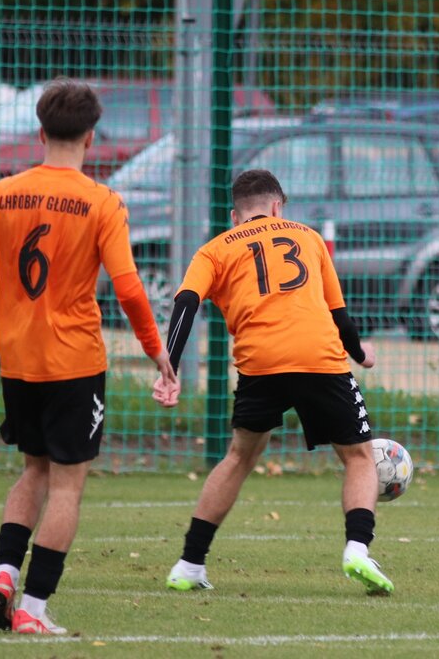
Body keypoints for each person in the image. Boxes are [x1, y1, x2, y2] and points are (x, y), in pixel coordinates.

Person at [0, 78, 176, 634]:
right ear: (91, 137)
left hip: (18, 360)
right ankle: (33, 609)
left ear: (40, 132)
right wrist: (157, 351)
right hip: (74, 362)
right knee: (68, 484)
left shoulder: (1, 193)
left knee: (33, 469)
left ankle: (5, 572)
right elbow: (129, 290)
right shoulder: (102, 202)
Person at [152, 168, 394, 596]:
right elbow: (339, 315)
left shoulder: (214, 249)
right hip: (318, 357)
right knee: (359, 455)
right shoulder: (309, 237)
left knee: (239, 457)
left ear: (235, 216)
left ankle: (189, 564)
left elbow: (187, 302)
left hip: (259, 362)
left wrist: (168, 367)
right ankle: (358, 549)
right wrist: (360, 354)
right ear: (278, 207)